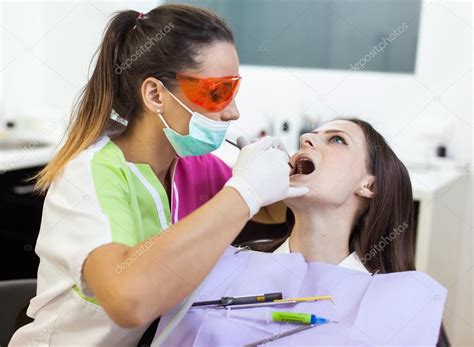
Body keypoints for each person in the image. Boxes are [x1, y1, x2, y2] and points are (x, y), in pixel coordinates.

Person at [10, 5, 307, 345]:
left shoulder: (197, 168)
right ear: (155, 95)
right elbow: (129, 301)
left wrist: (290, 178)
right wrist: (245, 191)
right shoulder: (90, 176)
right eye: (217, 93)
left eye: (233, 90)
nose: (233, 112)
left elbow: (269, 213)